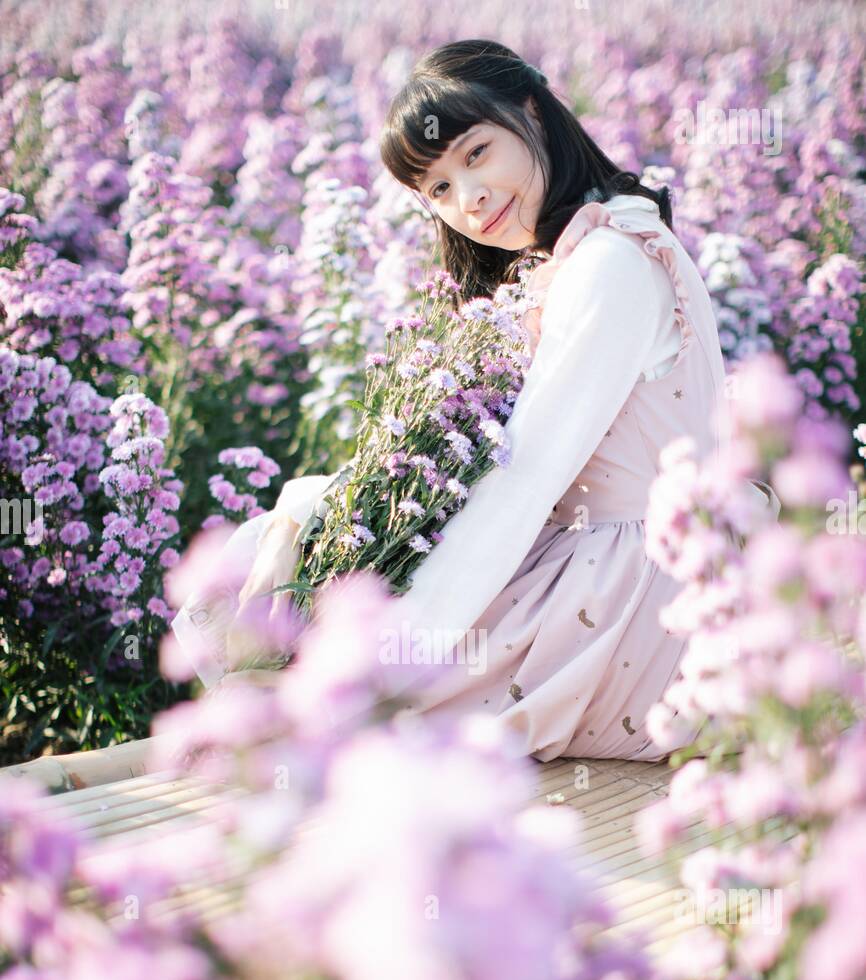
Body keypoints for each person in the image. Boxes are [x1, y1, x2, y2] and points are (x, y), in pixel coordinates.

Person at [171, 38, 779, 762]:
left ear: (531, 111)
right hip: (605, 562)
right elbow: (480, 465)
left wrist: (391, 661)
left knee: (338, 705)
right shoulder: (577, 251)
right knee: (277, 562)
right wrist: (302, 517)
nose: (470, 200)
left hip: (642, 598)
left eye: (477, 154)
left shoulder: (611, 263)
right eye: (438, 189)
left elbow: (523, 480)